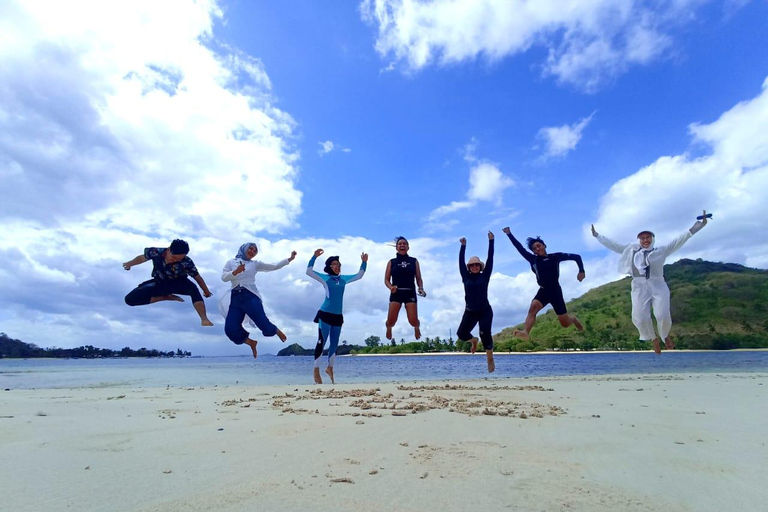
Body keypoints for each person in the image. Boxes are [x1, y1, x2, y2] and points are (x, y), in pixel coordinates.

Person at [592, 210, 709, 354]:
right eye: (642, 238)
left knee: (662, 315)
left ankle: (665, 335)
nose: (645, 240)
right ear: (639, 240)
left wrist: (700, 224)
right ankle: (653, 338)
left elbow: (682, 238)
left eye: (648, 237)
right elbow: (613, 245)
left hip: (658, 284)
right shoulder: (631, 250)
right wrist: (597, 236)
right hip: (639, 286)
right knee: (639, 316)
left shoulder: (661, 250)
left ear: (652, 239)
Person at [502, 227, 585, 340]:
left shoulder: (555, 257)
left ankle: (573, 319)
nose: (537, 249)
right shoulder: (533, 260)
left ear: (544, 245)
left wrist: (581, 271)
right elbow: (519, 248)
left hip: (555, 291)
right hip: (543, 290)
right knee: (533, 308)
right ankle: (526, 331)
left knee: (565, 324)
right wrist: (509, 234)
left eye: (539, 246)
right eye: (534, 249)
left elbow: (577, 257)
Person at [220, 243, 296, 358]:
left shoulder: (255, 264)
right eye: (250, 248)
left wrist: (289, 259)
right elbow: (224, 277)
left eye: (255, 250)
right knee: (230, 329)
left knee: (262, 322)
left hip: (250, 295)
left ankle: (275, 330)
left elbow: (273, 266)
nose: (252, 251)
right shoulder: (231, 262)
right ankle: (251, 342)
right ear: (244, 248)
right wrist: (235, 272)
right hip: (235, 298)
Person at [307, 248, 368, 384]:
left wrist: (364, 263)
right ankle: (316, 369)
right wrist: (314, 257)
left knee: (334, 344)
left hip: (338, 316)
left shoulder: (343, 279)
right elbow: (309, 271)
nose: (337, 266)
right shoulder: (325, 278)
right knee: (322, 341)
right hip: (325, 314)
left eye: (339, 265)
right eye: (335, 264)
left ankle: (330, 368)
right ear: (330, 266)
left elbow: (359, 275)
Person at [123, 239, 214, 326]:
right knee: (130, 299)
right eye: (174, 258)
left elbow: (197, 277)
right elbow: (142, 258)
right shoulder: (156, 252)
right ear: (169, 250)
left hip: (179, 283)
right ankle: (164, 297)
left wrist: (206, 291)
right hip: (160, 283)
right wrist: (129, 264)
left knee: (193, 289)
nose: (175, 260)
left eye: (179, 259)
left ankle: (204, 319)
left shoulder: (187, 262)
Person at [458, 232, 496, 373]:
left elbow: (490, 258)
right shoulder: (465, 276)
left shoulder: (485, 276)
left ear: (480, 267)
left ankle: (490, 359)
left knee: (485, 333)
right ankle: (473, 341)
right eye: (472, 265)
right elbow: (461, 262)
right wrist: (463, 246)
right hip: (470, 311)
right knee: (461, 334)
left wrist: (491, 241)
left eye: (477, 265)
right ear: (469, 267)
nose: (474, 267)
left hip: (485, 310)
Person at [384, 236, 426, 341]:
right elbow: (386, 279)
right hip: (396, 292)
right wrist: (391, 287)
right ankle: (388, 328)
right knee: (391, 321)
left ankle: (417, 327)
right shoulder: (391, 262)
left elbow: (419, 278)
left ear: (408, 247)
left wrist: (420, 288)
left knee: (413, 321)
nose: (402, 245)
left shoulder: (414, 261)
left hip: (410, 292)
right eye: (400, 244)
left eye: (404, 244)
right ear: (396, 247)